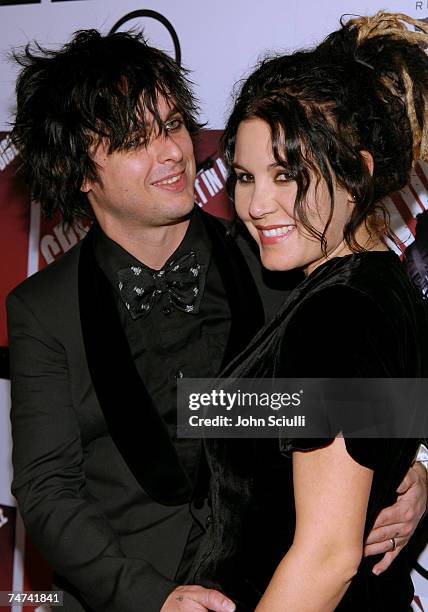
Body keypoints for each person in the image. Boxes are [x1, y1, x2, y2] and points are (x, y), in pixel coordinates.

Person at [6, 26, 427, 612]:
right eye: (136, 139)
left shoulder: (282, 256)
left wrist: (414, 467)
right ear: (80, 170)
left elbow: (366, 387)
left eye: (174, 123)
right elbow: (48, 490)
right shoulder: (42, 311)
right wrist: (153, 599)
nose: (174, 152)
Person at [189, 11, 428, 612]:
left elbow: (327, 557)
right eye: (244, 175)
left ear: (359, 175)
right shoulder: (377, 288)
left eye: (287, 174)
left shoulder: (339, 312)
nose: (257, 204)